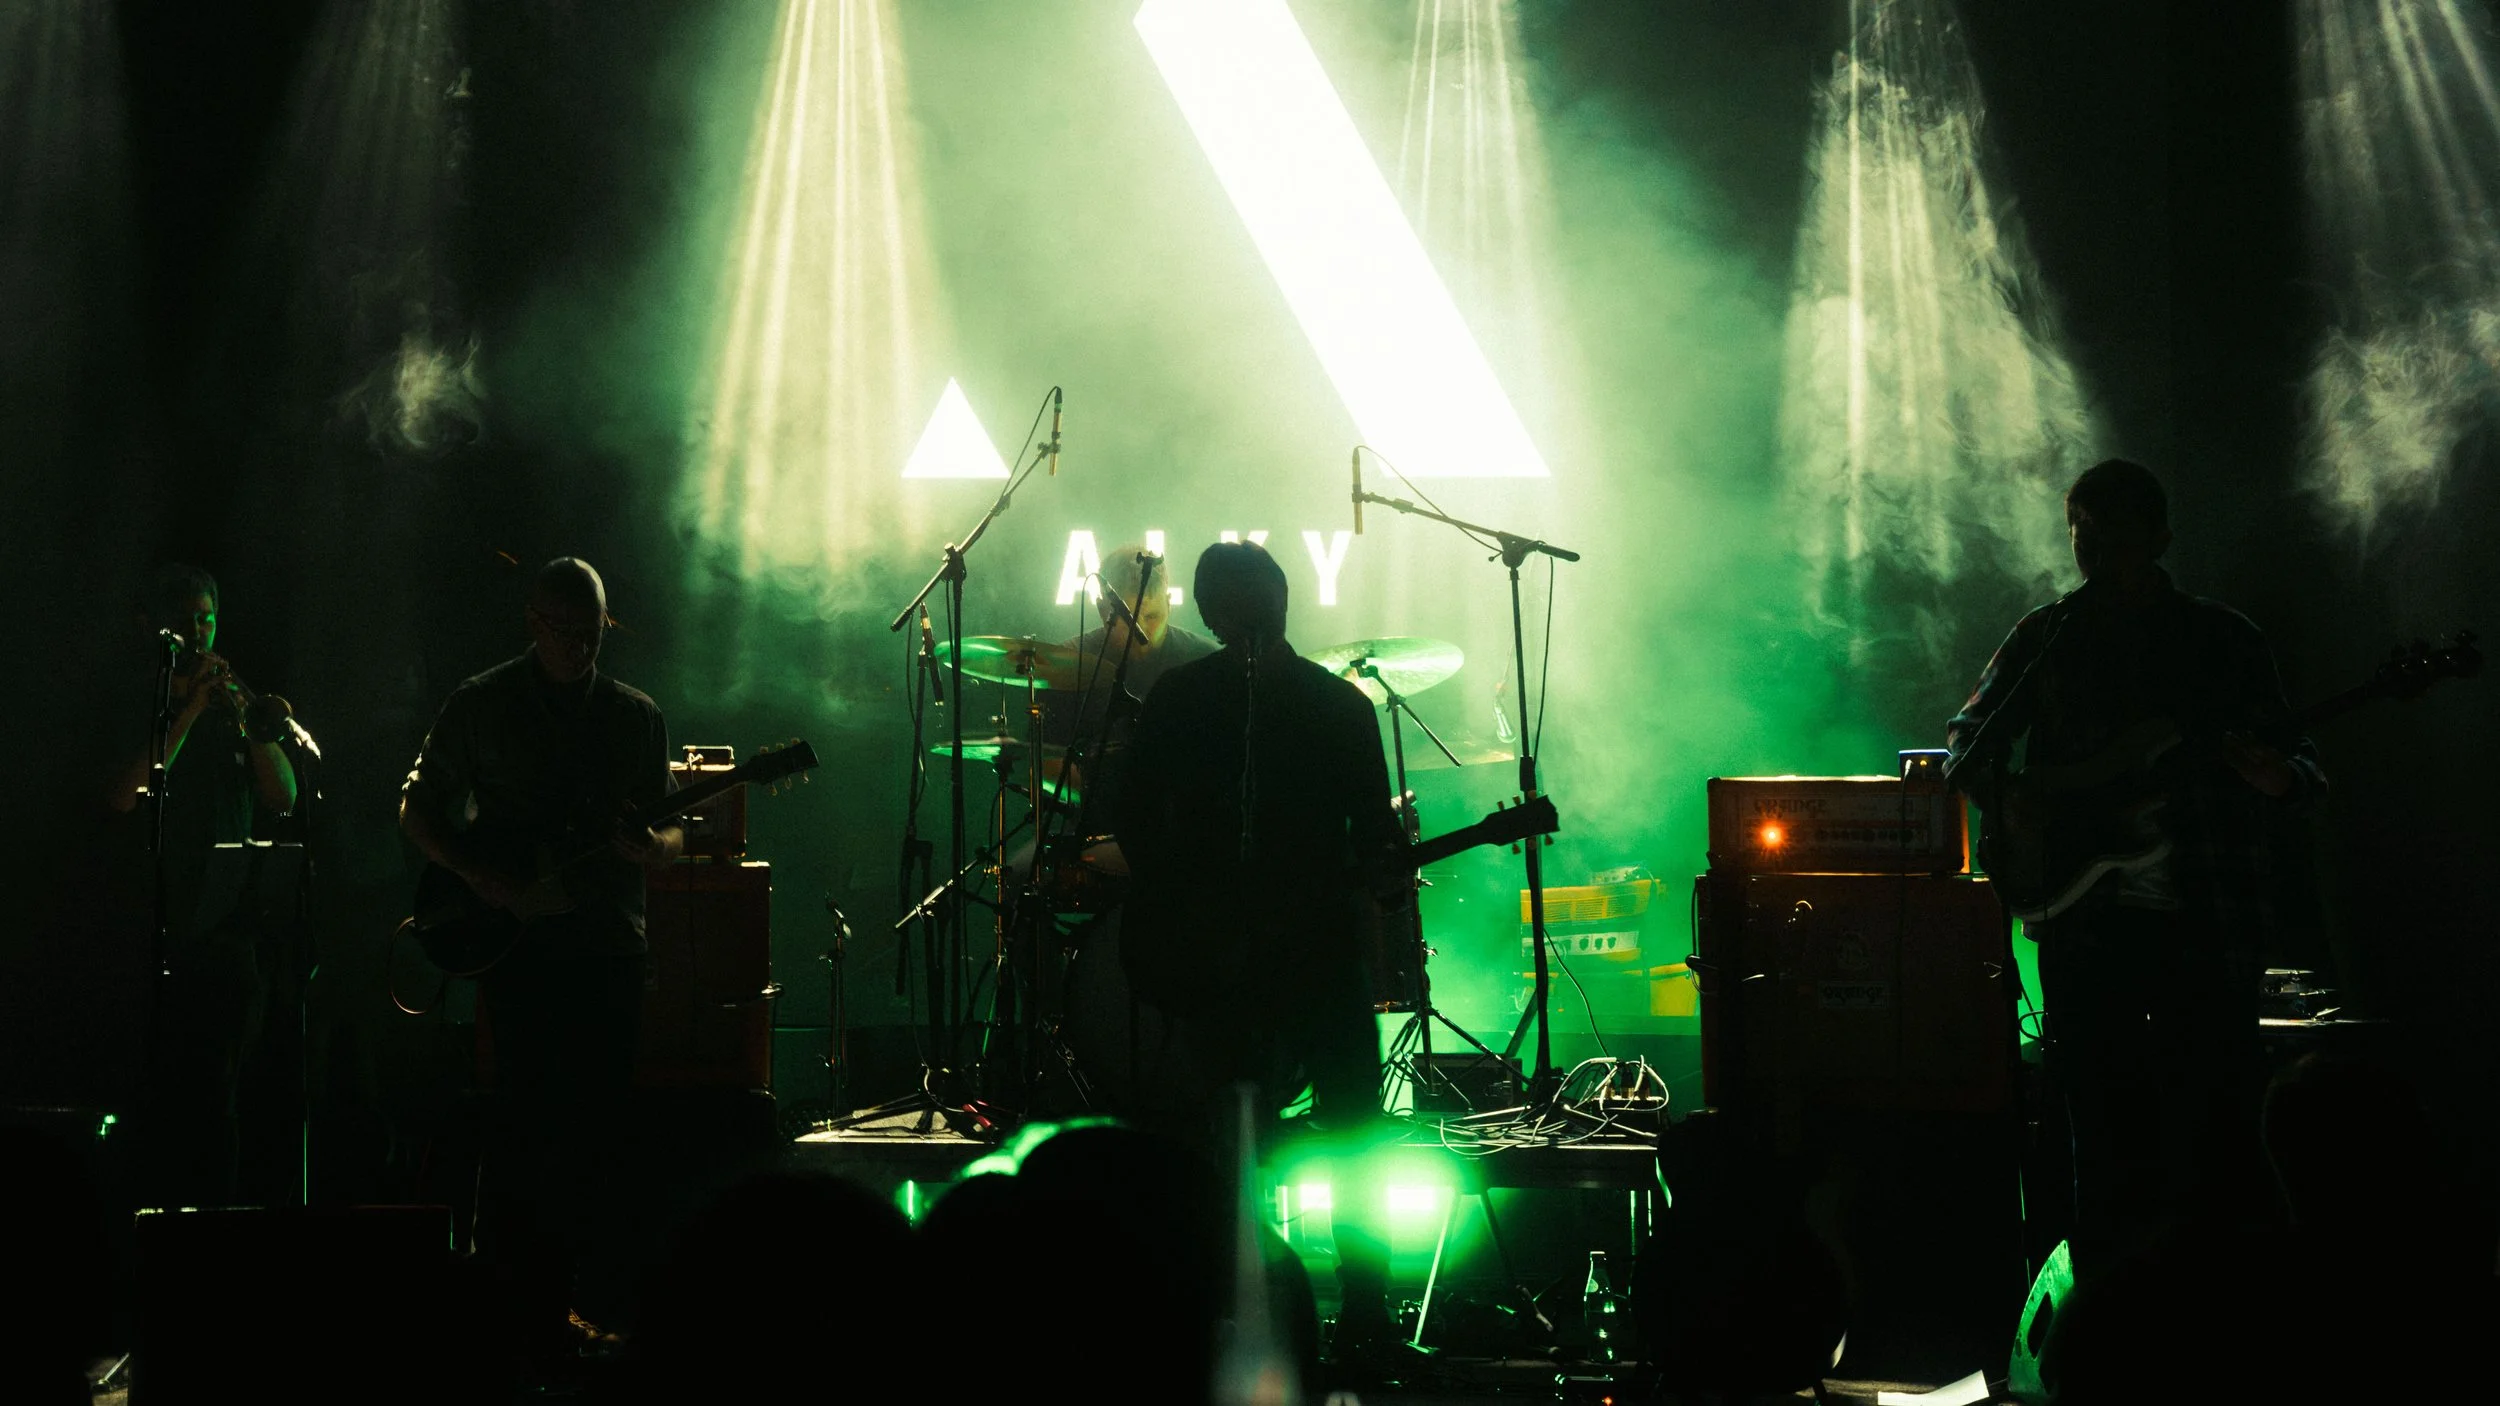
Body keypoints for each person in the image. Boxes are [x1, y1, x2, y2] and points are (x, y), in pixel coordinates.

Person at [1944, 459, 2322, 1274]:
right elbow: (1968, 741)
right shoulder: (2047, 637)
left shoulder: (2222, 639)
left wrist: (2279, 776)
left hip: (2208, 919)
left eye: (2118, 531)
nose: (2100, 547)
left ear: (2160, 537)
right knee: (2100, 1132)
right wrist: (2011, 804)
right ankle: (2105, 1327)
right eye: (2085, 530)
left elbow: (2302, 763)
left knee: (2216, 1128)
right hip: (2087, 920)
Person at [1115, 540, 1406, 1357]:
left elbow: (1134, 820)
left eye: (1253, 600)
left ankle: (1303, 1306)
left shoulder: (1199, 698)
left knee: (1269, 1124)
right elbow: (1136, 818)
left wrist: (1184, 904)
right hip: (1273, 948)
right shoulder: (1326, 705)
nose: (1248, 615)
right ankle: (1358, 1313)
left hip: (1270, 948)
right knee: (1343, 1125)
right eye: (1241, 602)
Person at [399, 557, 680, 1353]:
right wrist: (473, 873)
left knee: (598, 1132)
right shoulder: (481, 703)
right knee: (522, 1128)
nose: (576, 646)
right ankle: (516, 1311)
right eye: (561, 630)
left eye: (589, 632)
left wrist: (649, 845)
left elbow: (669, 836)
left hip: (605, 949)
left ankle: (590, 1312)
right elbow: (417, 811)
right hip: (518, 951)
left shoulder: (635, 717)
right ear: (532, 623)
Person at [109, 563, 298, 1206]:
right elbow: (123, 796)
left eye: (208, 617)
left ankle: (213, 1229)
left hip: (227, 929)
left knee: (221, 1098)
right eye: (188, 618)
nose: (200, 630)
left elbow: (283, 796)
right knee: (159, 1093)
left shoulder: (234, 705)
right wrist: (188, 708)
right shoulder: (145, 696)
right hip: (156, 925)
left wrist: (250, 721)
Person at [1040, 543, 1219, 826]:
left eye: (1152, 617)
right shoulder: (1067, 666)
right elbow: (1048, 764)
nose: (1143, 632)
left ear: (1169, 604)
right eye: (1129, 620)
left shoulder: (1207, 662)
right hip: (1095, 828)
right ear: (1103, 611)